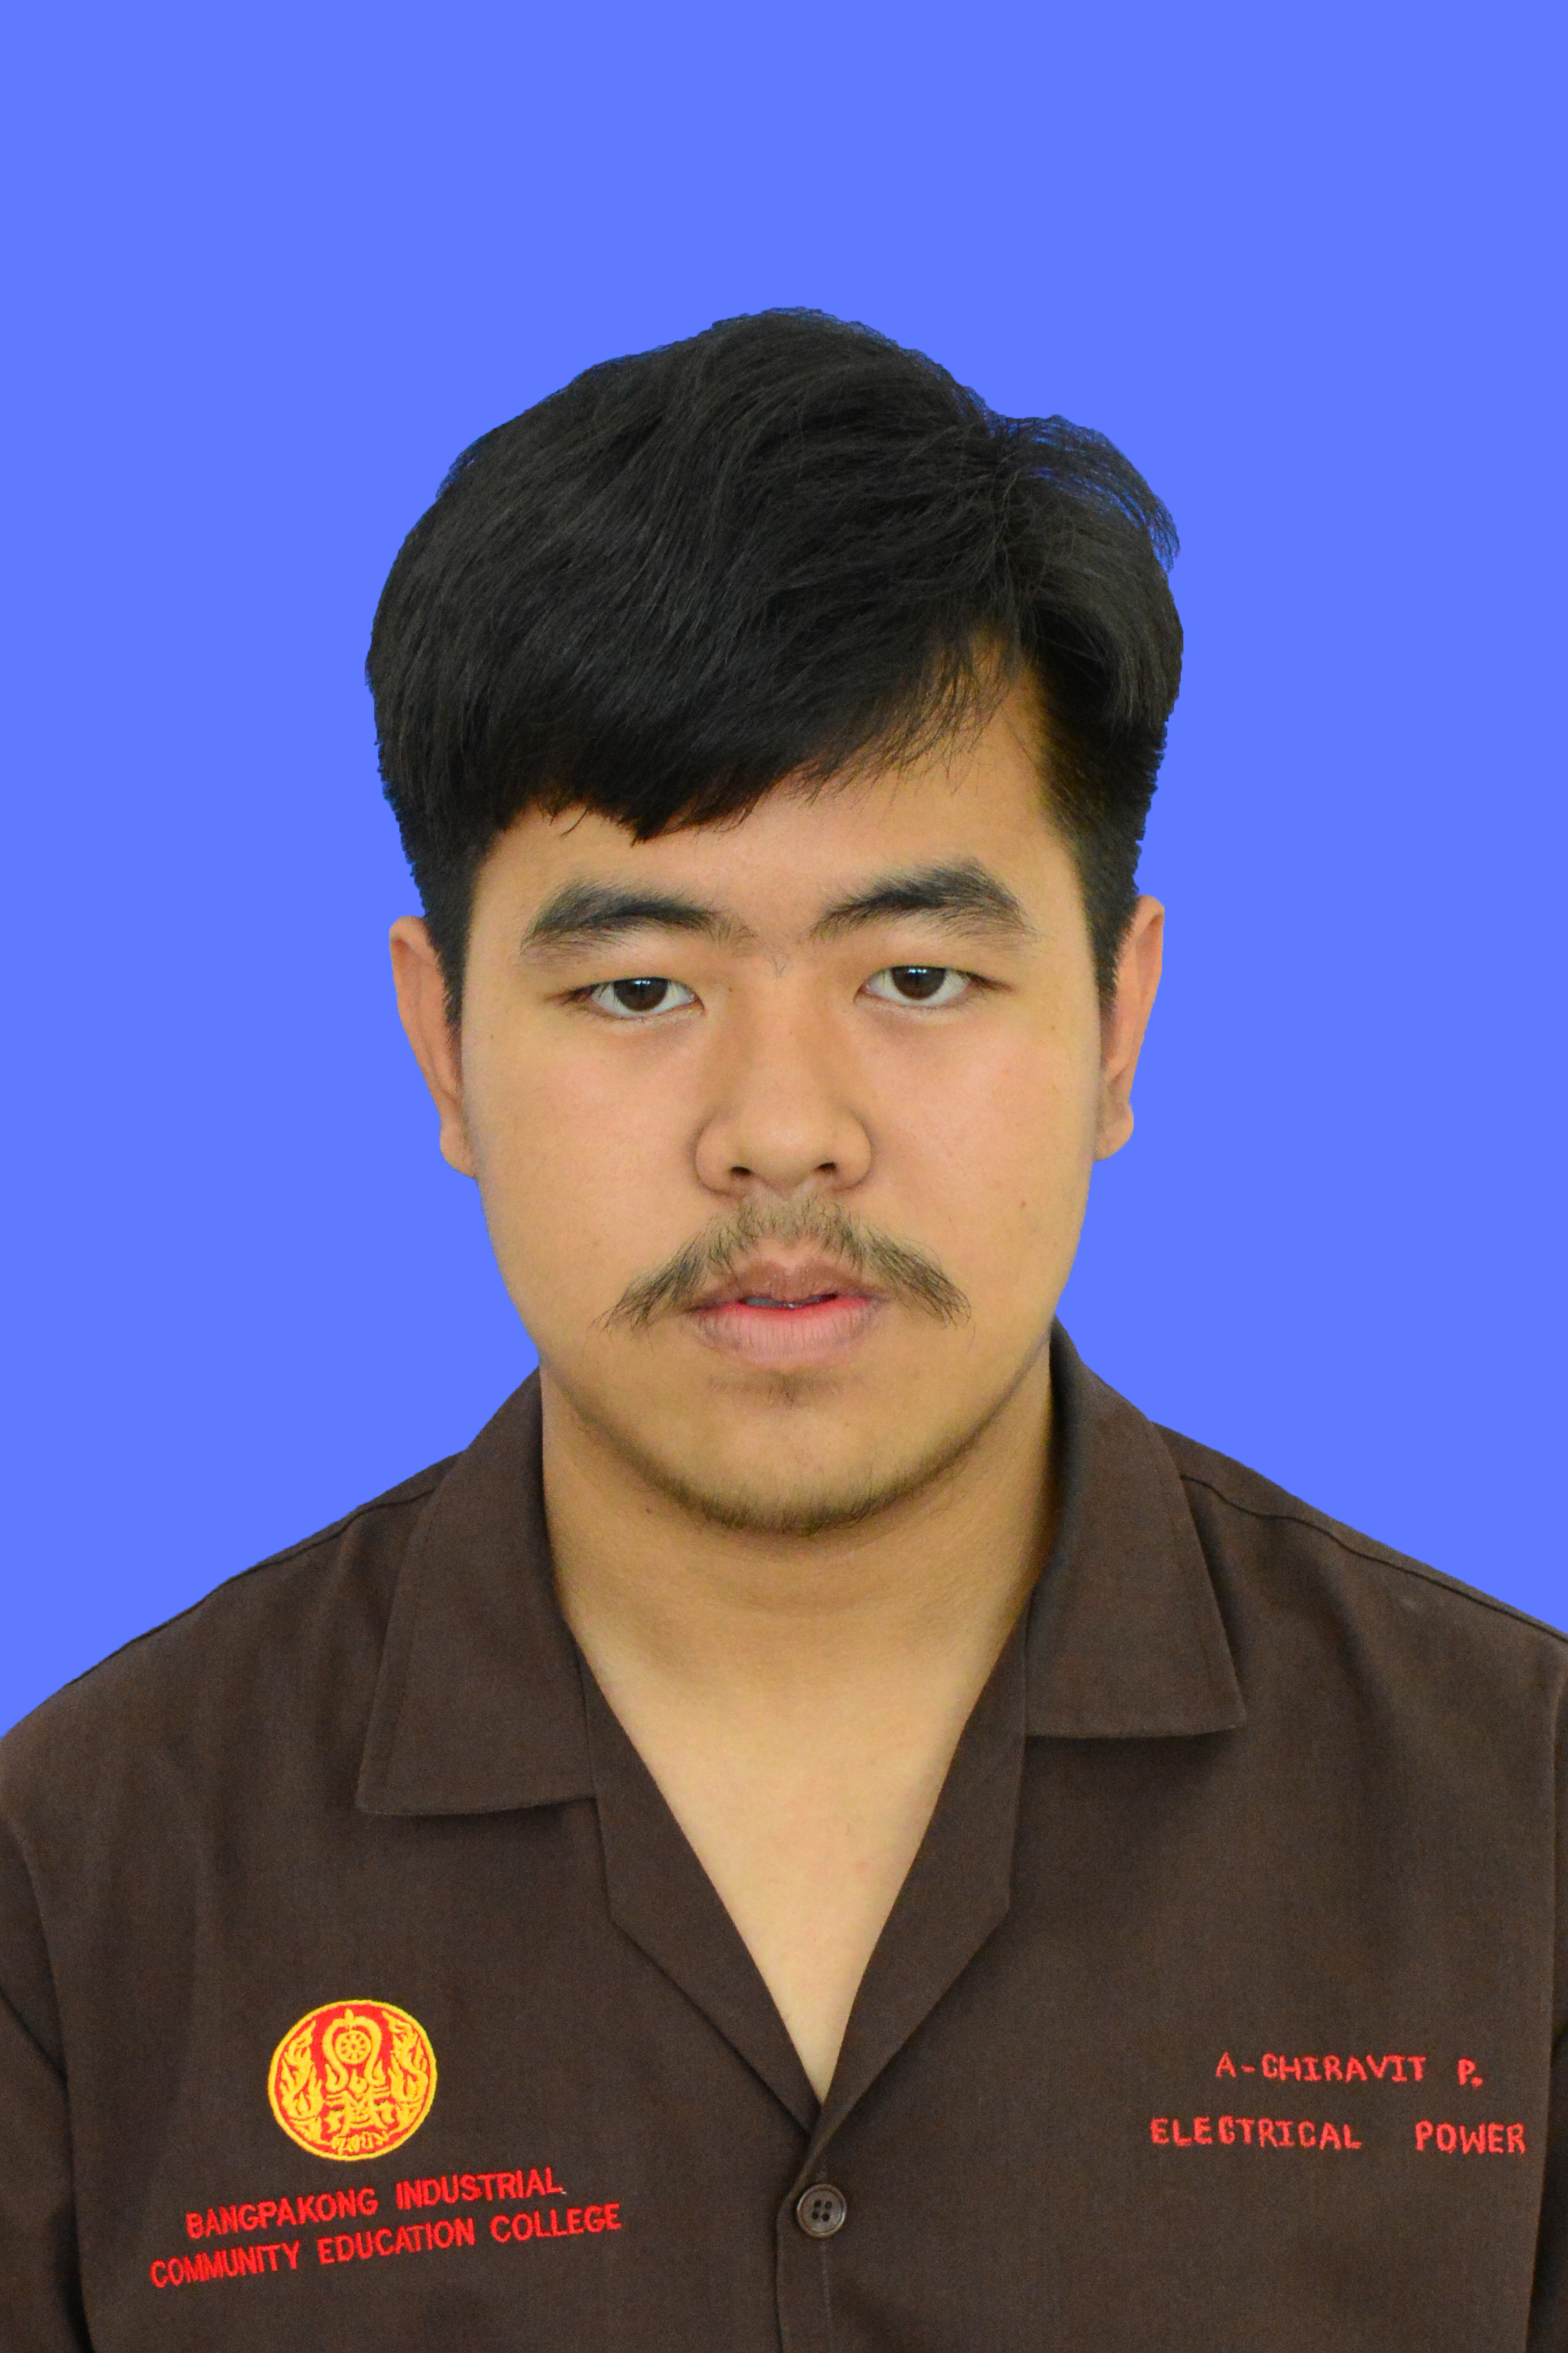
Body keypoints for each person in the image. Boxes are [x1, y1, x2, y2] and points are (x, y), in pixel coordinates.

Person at [1, 311, 1561, 2353]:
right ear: (442, 1043)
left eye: (913, 975)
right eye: (638, 990)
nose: (781, 1131)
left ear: (1117, 1019)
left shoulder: (1516, 1822)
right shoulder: (87, 1878)